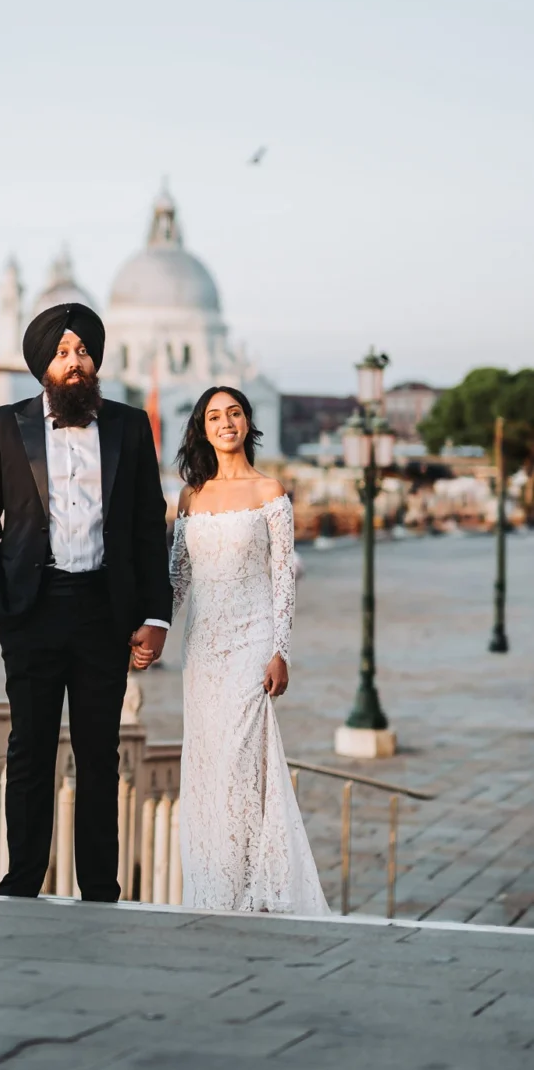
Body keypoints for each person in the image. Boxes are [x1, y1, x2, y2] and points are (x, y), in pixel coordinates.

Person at [0, 303, 172, 901]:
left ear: (95, 361)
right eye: (62, 353)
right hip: (30, 610)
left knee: (99, 755)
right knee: (30, 749)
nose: (74, 362)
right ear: (44, 367)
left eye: (82, 352)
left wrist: (154, 615)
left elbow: (145, 525)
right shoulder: (6, 424)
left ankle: (100, 889)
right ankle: (22, 882)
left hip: (104, 610)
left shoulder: (131, 426)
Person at [171, 387, 329, 915]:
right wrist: (150, 631)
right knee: (207, 763)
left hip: (252, 642)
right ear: (202, 428)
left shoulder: (270, 491)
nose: (225, 422)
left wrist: (280, 650)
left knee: (241, 762)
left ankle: (247, 887)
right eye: (214, 415)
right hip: (204, 648)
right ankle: (212, 881)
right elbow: (178, 576)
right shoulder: (191, 495)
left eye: (234, 412)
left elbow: (284, 576)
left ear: (247, 422)